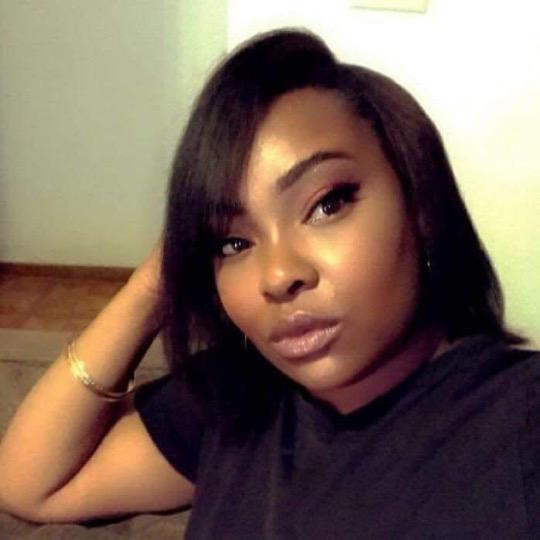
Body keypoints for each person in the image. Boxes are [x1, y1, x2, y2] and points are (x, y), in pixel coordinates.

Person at [0, 29, 538, 539]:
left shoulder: (518, 418)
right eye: (233, 243)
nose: (277, 275)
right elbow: (31, 485)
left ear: (420, 204)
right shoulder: (236, 399)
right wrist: (159, 280)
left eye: (327, 204)